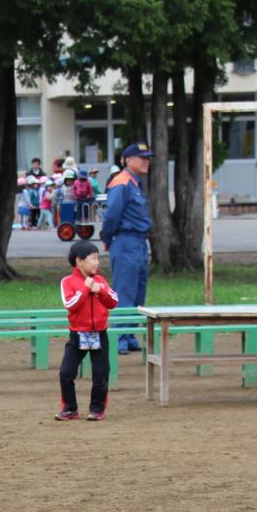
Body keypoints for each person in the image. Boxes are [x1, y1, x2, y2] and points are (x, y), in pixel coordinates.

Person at [57, 241, 119, 421]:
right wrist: (86, 289)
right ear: (79, 261)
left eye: (97, 259)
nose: (97, 263)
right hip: (78, 335)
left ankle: (97, 409)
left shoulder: (101, 281)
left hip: (99, 334)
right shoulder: (67, 282)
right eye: (93, 259)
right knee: (66, 373)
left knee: (101, 374)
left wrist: (100, 291)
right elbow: (70, 305)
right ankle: (70, 408)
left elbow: (113, 302)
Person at [101, 142, 153, 354]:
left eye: (148, 157)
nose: (146, 161)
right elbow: (112, 214)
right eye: (142, 157)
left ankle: (130, 334)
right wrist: (107, 236)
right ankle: (120, 336)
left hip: (138, 242)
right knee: (125, 291)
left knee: (139, 292)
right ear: (128, 160)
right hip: (125, 241)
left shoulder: (133, 182)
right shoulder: (121, 182)